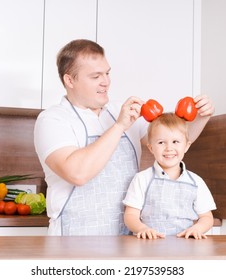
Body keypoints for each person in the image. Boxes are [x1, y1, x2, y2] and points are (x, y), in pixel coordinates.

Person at [33, 39, 215, 236]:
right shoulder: (52, 120)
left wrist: (201, 118)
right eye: (95, 76)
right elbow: (77, 173)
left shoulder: (119, 110)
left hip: (128, 236)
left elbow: (171, 141)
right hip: (75, 238)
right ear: (70, 80)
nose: (106, 82)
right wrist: (119, 126)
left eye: (107, 73)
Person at [123, 112, 216, 240]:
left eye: (175, 141)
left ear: (186, 146)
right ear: (151, 148)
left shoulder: (196, 182)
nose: (169, 148)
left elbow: (207, 217)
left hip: (185, 247)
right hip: (149, 246)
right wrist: (142, 228)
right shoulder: (142, 179)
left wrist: (197, 229)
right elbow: (130, 215)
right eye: (161, 142)